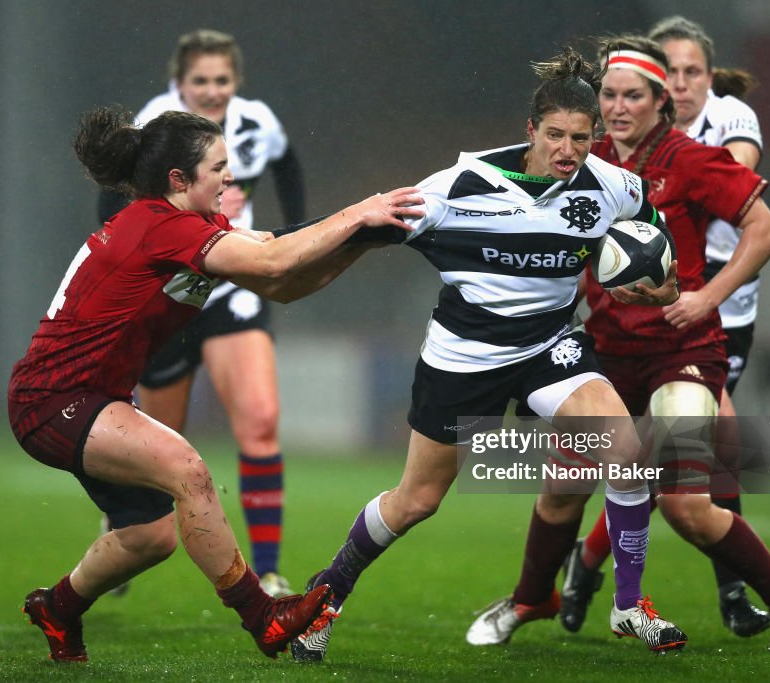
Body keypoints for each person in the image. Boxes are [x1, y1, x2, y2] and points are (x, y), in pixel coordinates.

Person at [290, 47, 689, 663]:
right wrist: (274, 250)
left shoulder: (615, 188)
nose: (567, 150)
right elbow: (358, 228)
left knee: (627, 453)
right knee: (417, 499)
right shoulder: (457, 189)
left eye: (581, 138)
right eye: (554, 135)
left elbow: (662, 258)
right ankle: (327, 593)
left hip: (548, 345)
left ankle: (628, 604)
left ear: (596, 137)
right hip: (464, 355)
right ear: (530, 131)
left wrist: (662, 285)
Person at [8, 105, 423, 662]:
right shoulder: (161, 225)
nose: (231, 177)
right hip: (53, 400)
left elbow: (283, 286)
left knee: (149, 536)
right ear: (179, 180)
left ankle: (57, 608)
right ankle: (265, 617)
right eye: (219, 167)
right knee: (188, 470)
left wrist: (372, 238)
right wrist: (359, 212)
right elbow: (277, 261)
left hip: (88, 398)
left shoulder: (192, 228)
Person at [469, 35, 770, 652]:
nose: (619, 107)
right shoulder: (585, 157)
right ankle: (532, 598)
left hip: (682, 353)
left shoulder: (692, 159)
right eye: (610, 95)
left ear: (662, 101)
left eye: (633, 95)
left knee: (685, 506)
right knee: (560, 493)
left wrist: (707, 298)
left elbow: (767, 229)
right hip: (605, 355)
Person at [560, 16, 770, 639]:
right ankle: (732, 594)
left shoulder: (727, 124)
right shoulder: (627, 138)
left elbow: (735, 182)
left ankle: (589, 567)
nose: (681, 85)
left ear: (710, 78)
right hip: (661, 326)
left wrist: (681, 182)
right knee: (681, 464)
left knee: (674, 469)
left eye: (691, 73)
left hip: (722, 310)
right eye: (670, 73)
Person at [98, 29, 304, 598]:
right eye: (200, 81)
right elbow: (109, 205)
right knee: (161, 445)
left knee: (260, 423)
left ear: (236, 82)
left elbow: (288, 167)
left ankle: (267, 568)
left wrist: (292, 234)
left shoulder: (257, 122)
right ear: (178, 83)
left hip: (234, 289)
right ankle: (128, 526)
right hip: (170, 296)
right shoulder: (156, 127)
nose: (212, 92)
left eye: (222, 80)